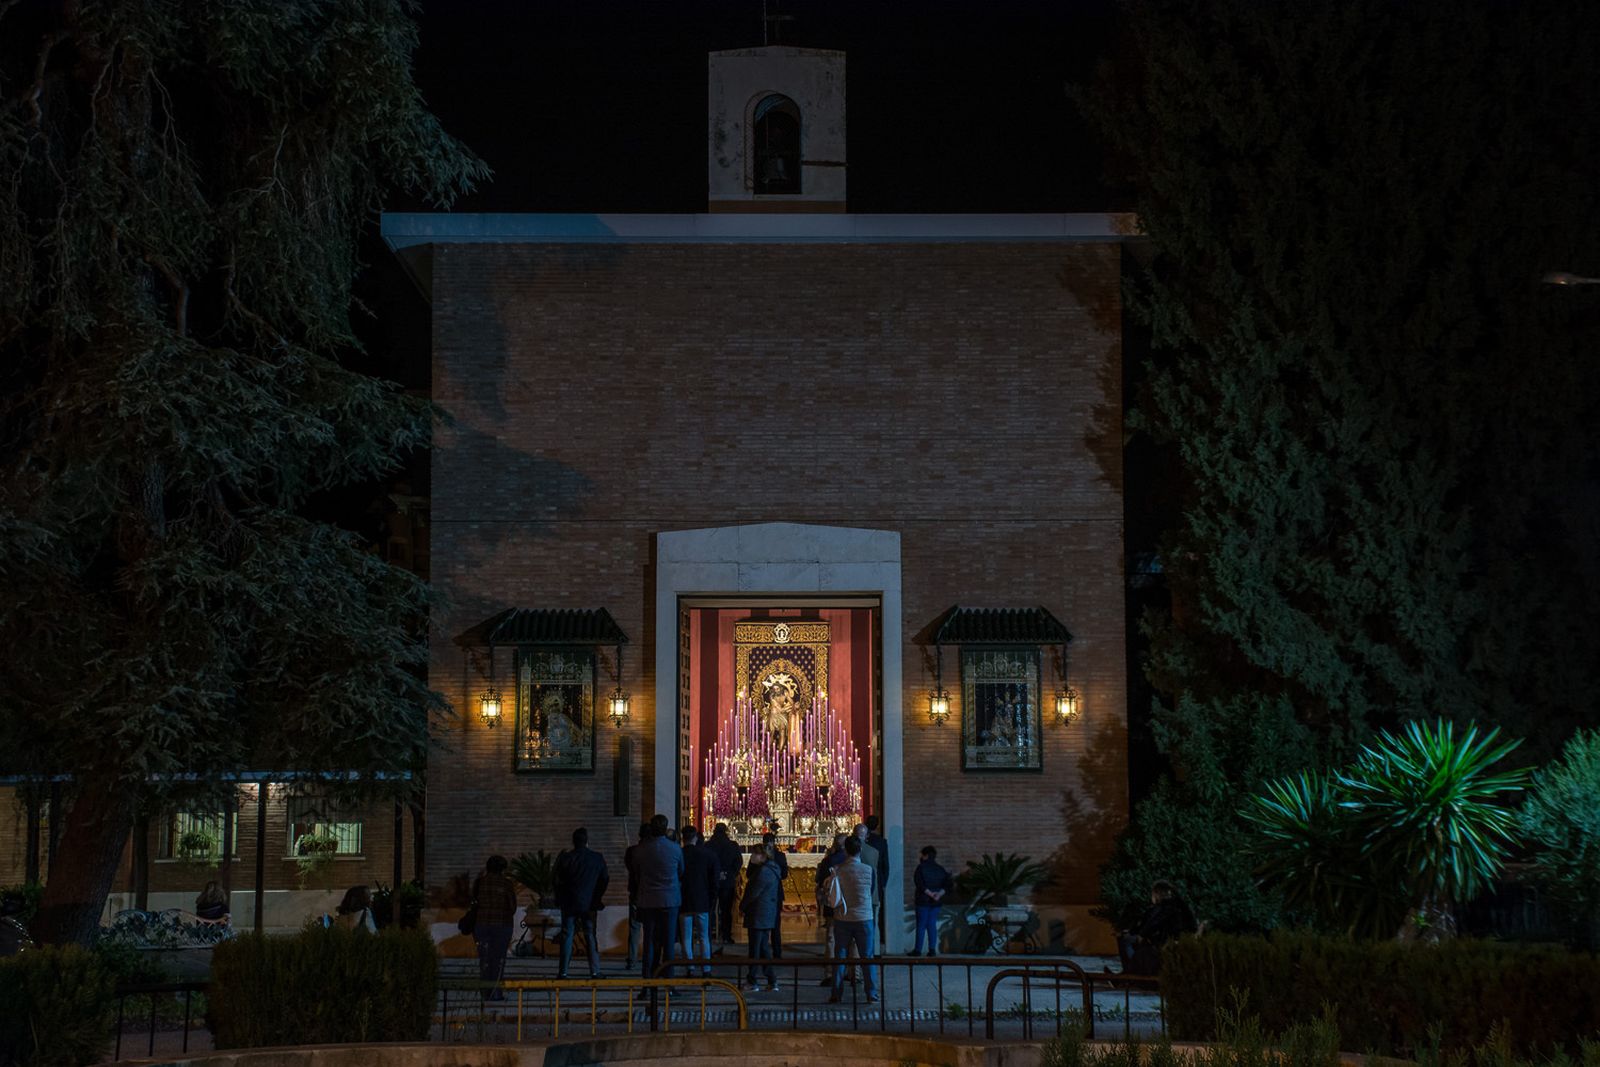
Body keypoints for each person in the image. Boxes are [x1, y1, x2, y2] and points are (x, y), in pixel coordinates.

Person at [822, 835, 878, 1003]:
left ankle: (836, 993)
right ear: (860, 850)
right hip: (864, 917)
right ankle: (871, 993)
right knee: (867, 957)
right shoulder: (869, 870)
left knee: (840, 956)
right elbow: (871, 890)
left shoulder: (838, 870)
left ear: (846, 851)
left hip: (843, 917)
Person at [553, 826, 609, 979]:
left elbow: (557, 880)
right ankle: (595, 971)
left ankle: (563, 972)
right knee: (590, 935)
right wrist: (597, 897)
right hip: (589, 904)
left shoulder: (566, 858)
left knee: (567, 935)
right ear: (587, 841)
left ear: (573, 841)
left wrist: (559, 897)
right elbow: (604, 879)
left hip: (569, 903)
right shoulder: (597, 858)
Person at [635, 815, 684, 980]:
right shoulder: (675, 848)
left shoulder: (641, 849)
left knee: (649, 941)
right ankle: (669, 981)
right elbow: (681, 871)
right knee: (668, 942)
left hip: (648, 899)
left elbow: (636, 873)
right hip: (669, 899)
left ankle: (647, 979)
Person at [1117, 880, 1197, 976]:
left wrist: (1141, 934)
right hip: (1175, 941)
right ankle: (1130, 971)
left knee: (1125, 941)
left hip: (1163, 942)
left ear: (1157, 894)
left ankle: (1129, 972)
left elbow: (1153, 923)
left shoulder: (1165, 907)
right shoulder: (1181, 906)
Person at [471, 855, 520, 999]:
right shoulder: (506, 884)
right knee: (498, 960)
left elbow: (474, 901)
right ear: (502, 869)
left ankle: (485, 992)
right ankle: (495, 993)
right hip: (502, 925)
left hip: (481, 925)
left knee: (485, 959)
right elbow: (512, 907)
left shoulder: (479, 882)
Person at [679, 825, 718, 977]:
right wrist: (712, 898)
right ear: (695, 837)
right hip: (702, 899)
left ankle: (689, 967)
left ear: (683, 838)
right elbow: (714, 879)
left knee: (686, 937)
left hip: (684, 899)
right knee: (703, 936)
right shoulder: (707, 854)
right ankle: (706, 969)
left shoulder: (680, 854)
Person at [740, 847, 781, 991]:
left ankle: (752, 981)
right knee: (763, 948)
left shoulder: (764, 871)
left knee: (755, 949)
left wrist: (742, 906)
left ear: (763, 856)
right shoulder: (771, 868)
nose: (751, 856)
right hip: (764, 912)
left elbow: (753, 892)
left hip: (759, 912)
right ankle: (771, 979)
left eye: (754, 853)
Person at [814, 832, 849, 984]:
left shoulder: (828, 860)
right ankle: (851, 972)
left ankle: (830, 972)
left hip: (831, 902)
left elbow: (820, 880)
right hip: (847, 903)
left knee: (831, 937)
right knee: (849, 938)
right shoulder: (851, 861)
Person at [708, 822, 743, 946]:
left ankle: (709, 934)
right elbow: (738, 862)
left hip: (711, 881)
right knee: (726, 910)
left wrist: (713, 874)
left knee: (710, 909)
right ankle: (726, 935)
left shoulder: (709, 845)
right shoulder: (732, 845)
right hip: (727, 880)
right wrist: (732, 873)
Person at [911, 845, 951, 956]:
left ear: (926, 855)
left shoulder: (920, 868)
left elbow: (919, 884)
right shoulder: (940, 869)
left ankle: (918, 950)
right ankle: (932, 949)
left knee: (921, 925)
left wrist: (930, 893)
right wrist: (938, 894)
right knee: (932, 924)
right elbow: (947, 884)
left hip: (923, 901)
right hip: (936, 902)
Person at [756, 830, 788, 958]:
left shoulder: (759, 856)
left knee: (761, 925)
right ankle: (777, 952)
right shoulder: (780, 856)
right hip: (776, 892)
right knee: (775, 924)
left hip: (761, 894)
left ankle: (761, 952)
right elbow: (784, 874)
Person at [622, 821, 650, 968]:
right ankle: (648, 958)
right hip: (650, 893)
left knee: (634, 927)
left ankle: (632, 959)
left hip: (635, 892)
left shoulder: (632, 851)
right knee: (649, 928)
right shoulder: (653, 851)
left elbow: (629, 867)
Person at [865, 815, 890, 945]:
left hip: (862, 881)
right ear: (877, 826)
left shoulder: (861, 841)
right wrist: (883, 883)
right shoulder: (881, 842)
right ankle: (875, 945)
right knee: (875, 914)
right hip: (877, 882)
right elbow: (886, 865)